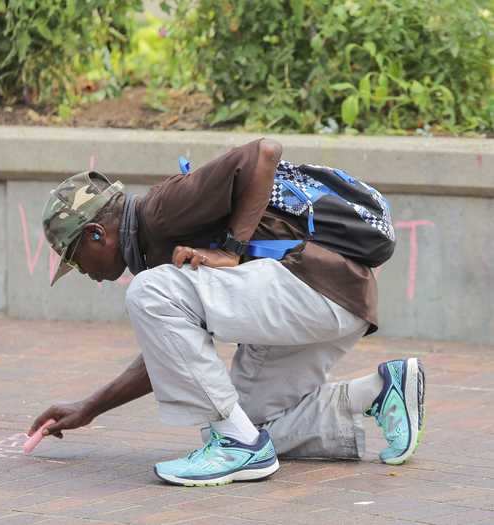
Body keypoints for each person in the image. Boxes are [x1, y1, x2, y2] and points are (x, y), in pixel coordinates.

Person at [31, 138, 425, 487]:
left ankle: (239, 446)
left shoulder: (160, 210)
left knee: (150, 292)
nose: (83, 272)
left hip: (315, 286)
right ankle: (379, 391)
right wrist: (91, 408)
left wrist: (230, 252)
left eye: (76, 259)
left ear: (96, 234)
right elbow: (169, 354)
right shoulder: (150, 239)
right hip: (337, 298)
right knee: (249, 421)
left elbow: (262, 153)